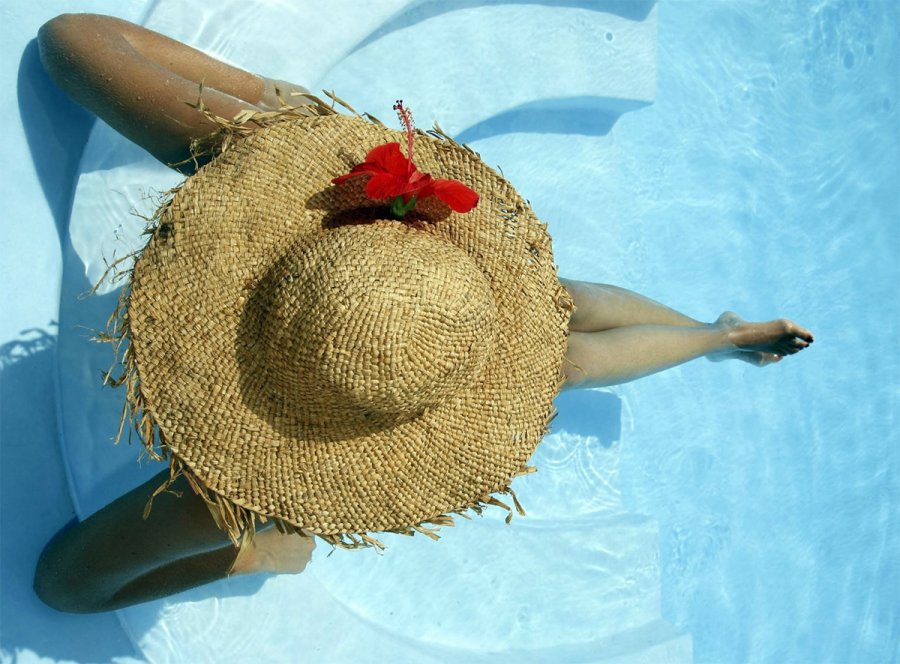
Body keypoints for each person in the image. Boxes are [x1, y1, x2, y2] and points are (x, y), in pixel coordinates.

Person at [33, 13, 814, 614]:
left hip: (379, 274)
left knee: (566, 343)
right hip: (428, 292)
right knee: (563, 328)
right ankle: (725, 333)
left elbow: (69, 39)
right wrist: (269, 121)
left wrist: (269, 112)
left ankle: (726, 334)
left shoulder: (234, 155)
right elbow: (61, 589)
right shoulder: (234, 492)